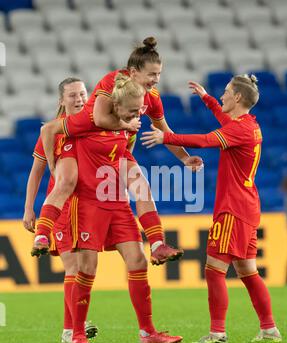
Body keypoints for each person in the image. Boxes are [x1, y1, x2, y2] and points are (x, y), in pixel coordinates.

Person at [32, 37, 202, 264]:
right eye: (152, 74)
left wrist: (184, 158)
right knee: (66, 182)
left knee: (142, 186)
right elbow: (97, 119)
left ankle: (158, 244)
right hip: (86, 137)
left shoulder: (152, 98)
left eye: (159, 74)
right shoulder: (112, 82)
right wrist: (53, 163)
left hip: (114, 148)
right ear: (133, 72)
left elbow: (164, 130)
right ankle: (42, 234)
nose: (156, 80)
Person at [42, 73, 183, 343]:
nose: (136, 117)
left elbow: (123, 151)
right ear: (115, 107)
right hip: (88, 205)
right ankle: (76, 333)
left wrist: (182, 157)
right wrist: (50, 168)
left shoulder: (127, 125)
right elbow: (49, 131)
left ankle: (148, 332)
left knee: (138, 261)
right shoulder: (86, 122)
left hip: (116, 203)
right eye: (131, 112)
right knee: (86, 269)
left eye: (138, 111)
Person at [141, 75, 282, 343]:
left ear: (238, 98)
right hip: (247, 206)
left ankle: (217, 333)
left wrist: (165, 137)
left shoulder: (238, 130)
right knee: (248, 272)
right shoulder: (248, 125)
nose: (222, 96)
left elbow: (206, 140)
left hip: (233, 209)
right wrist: (206, 98)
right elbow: (223, 118)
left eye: (226, 92)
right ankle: (269, 328)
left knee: (214, 269)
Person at [23, 77, 98, 343]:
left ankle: (70, 328)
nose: (79, 99)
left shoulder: (94, 127)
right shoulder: (53, 132)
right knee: (74, 266)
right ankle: (73, 328)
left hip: (89, 207)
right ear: (61, 100)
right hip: (61, 208)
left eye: (83, 94)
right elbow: (36, 173)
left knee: (85, 268)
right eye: (73, 95)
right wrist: (29, 208)